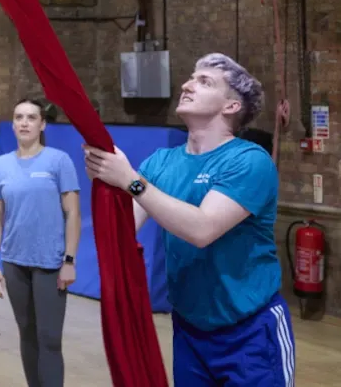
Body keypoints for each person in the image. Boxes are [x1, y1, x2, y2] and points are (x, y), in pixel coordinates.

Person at [83, 53, 295, 387]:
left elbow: (202, 229)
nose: (186, 84)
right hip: (190, 331)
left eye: (204, 81)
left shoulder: (249, 161)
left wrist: (131, 182)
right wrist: (107, 184)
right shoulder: (161, 162)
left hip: (250, 332)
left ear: (231, 106)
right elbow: (125, 231)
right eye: (191, 77)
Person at [0, 98, 80, 387]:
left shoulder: (58, 160)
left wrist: (69, 261)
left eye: (31, 117)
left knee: (49, 338)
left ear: (42, 124)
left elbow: (73, 213)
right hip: (15, 263)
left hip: (50, 264)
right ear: (13, 124)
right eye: (19, 117)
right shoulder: (2, 165)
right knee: (26, 333)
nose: (24, 123)